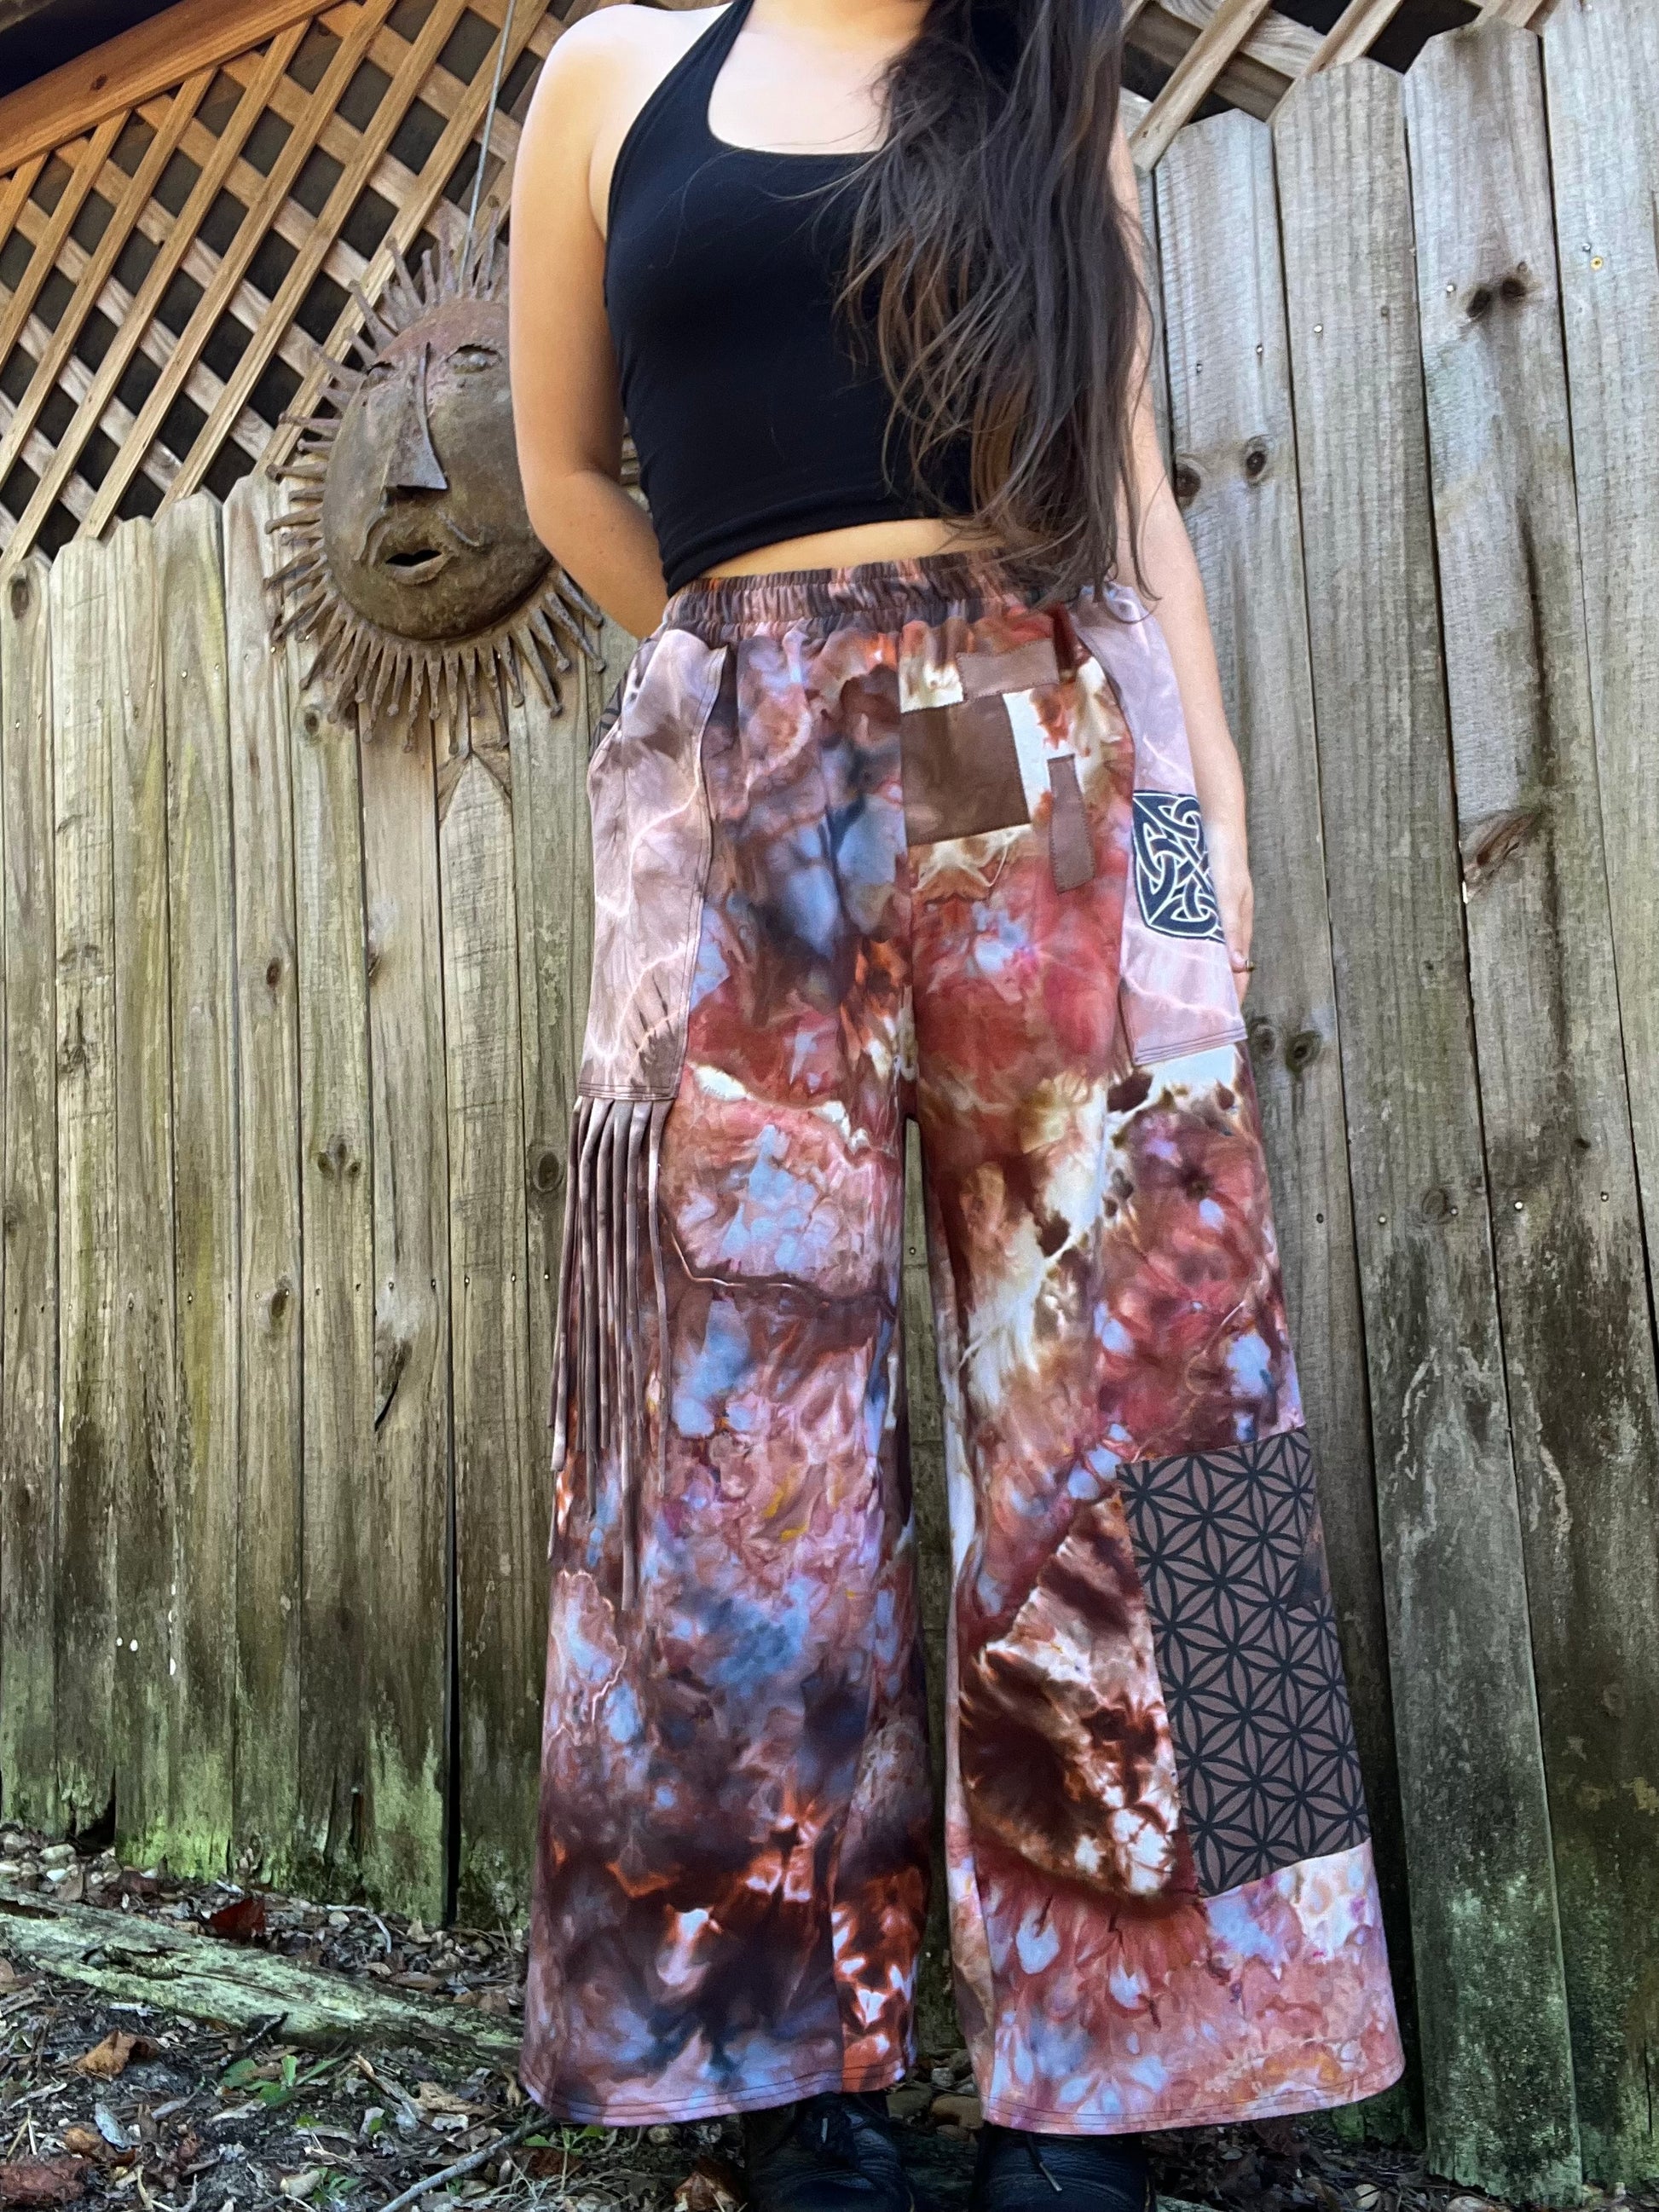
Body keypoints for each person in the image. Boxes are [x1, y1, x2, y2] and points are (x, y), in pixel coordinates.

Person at [506, 0, 1405, 2205]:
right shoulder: (613, 78)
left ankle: (1158, 2069)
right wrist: (758, 689)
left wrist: (1206, 850)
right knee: (714, 1433)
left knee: (1171, 1393)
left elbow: (1133, 497)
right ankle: (756, 2069)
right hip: (741, 799)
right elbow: (563, 474)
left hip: (1056, 756)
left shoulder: (1046, 83)